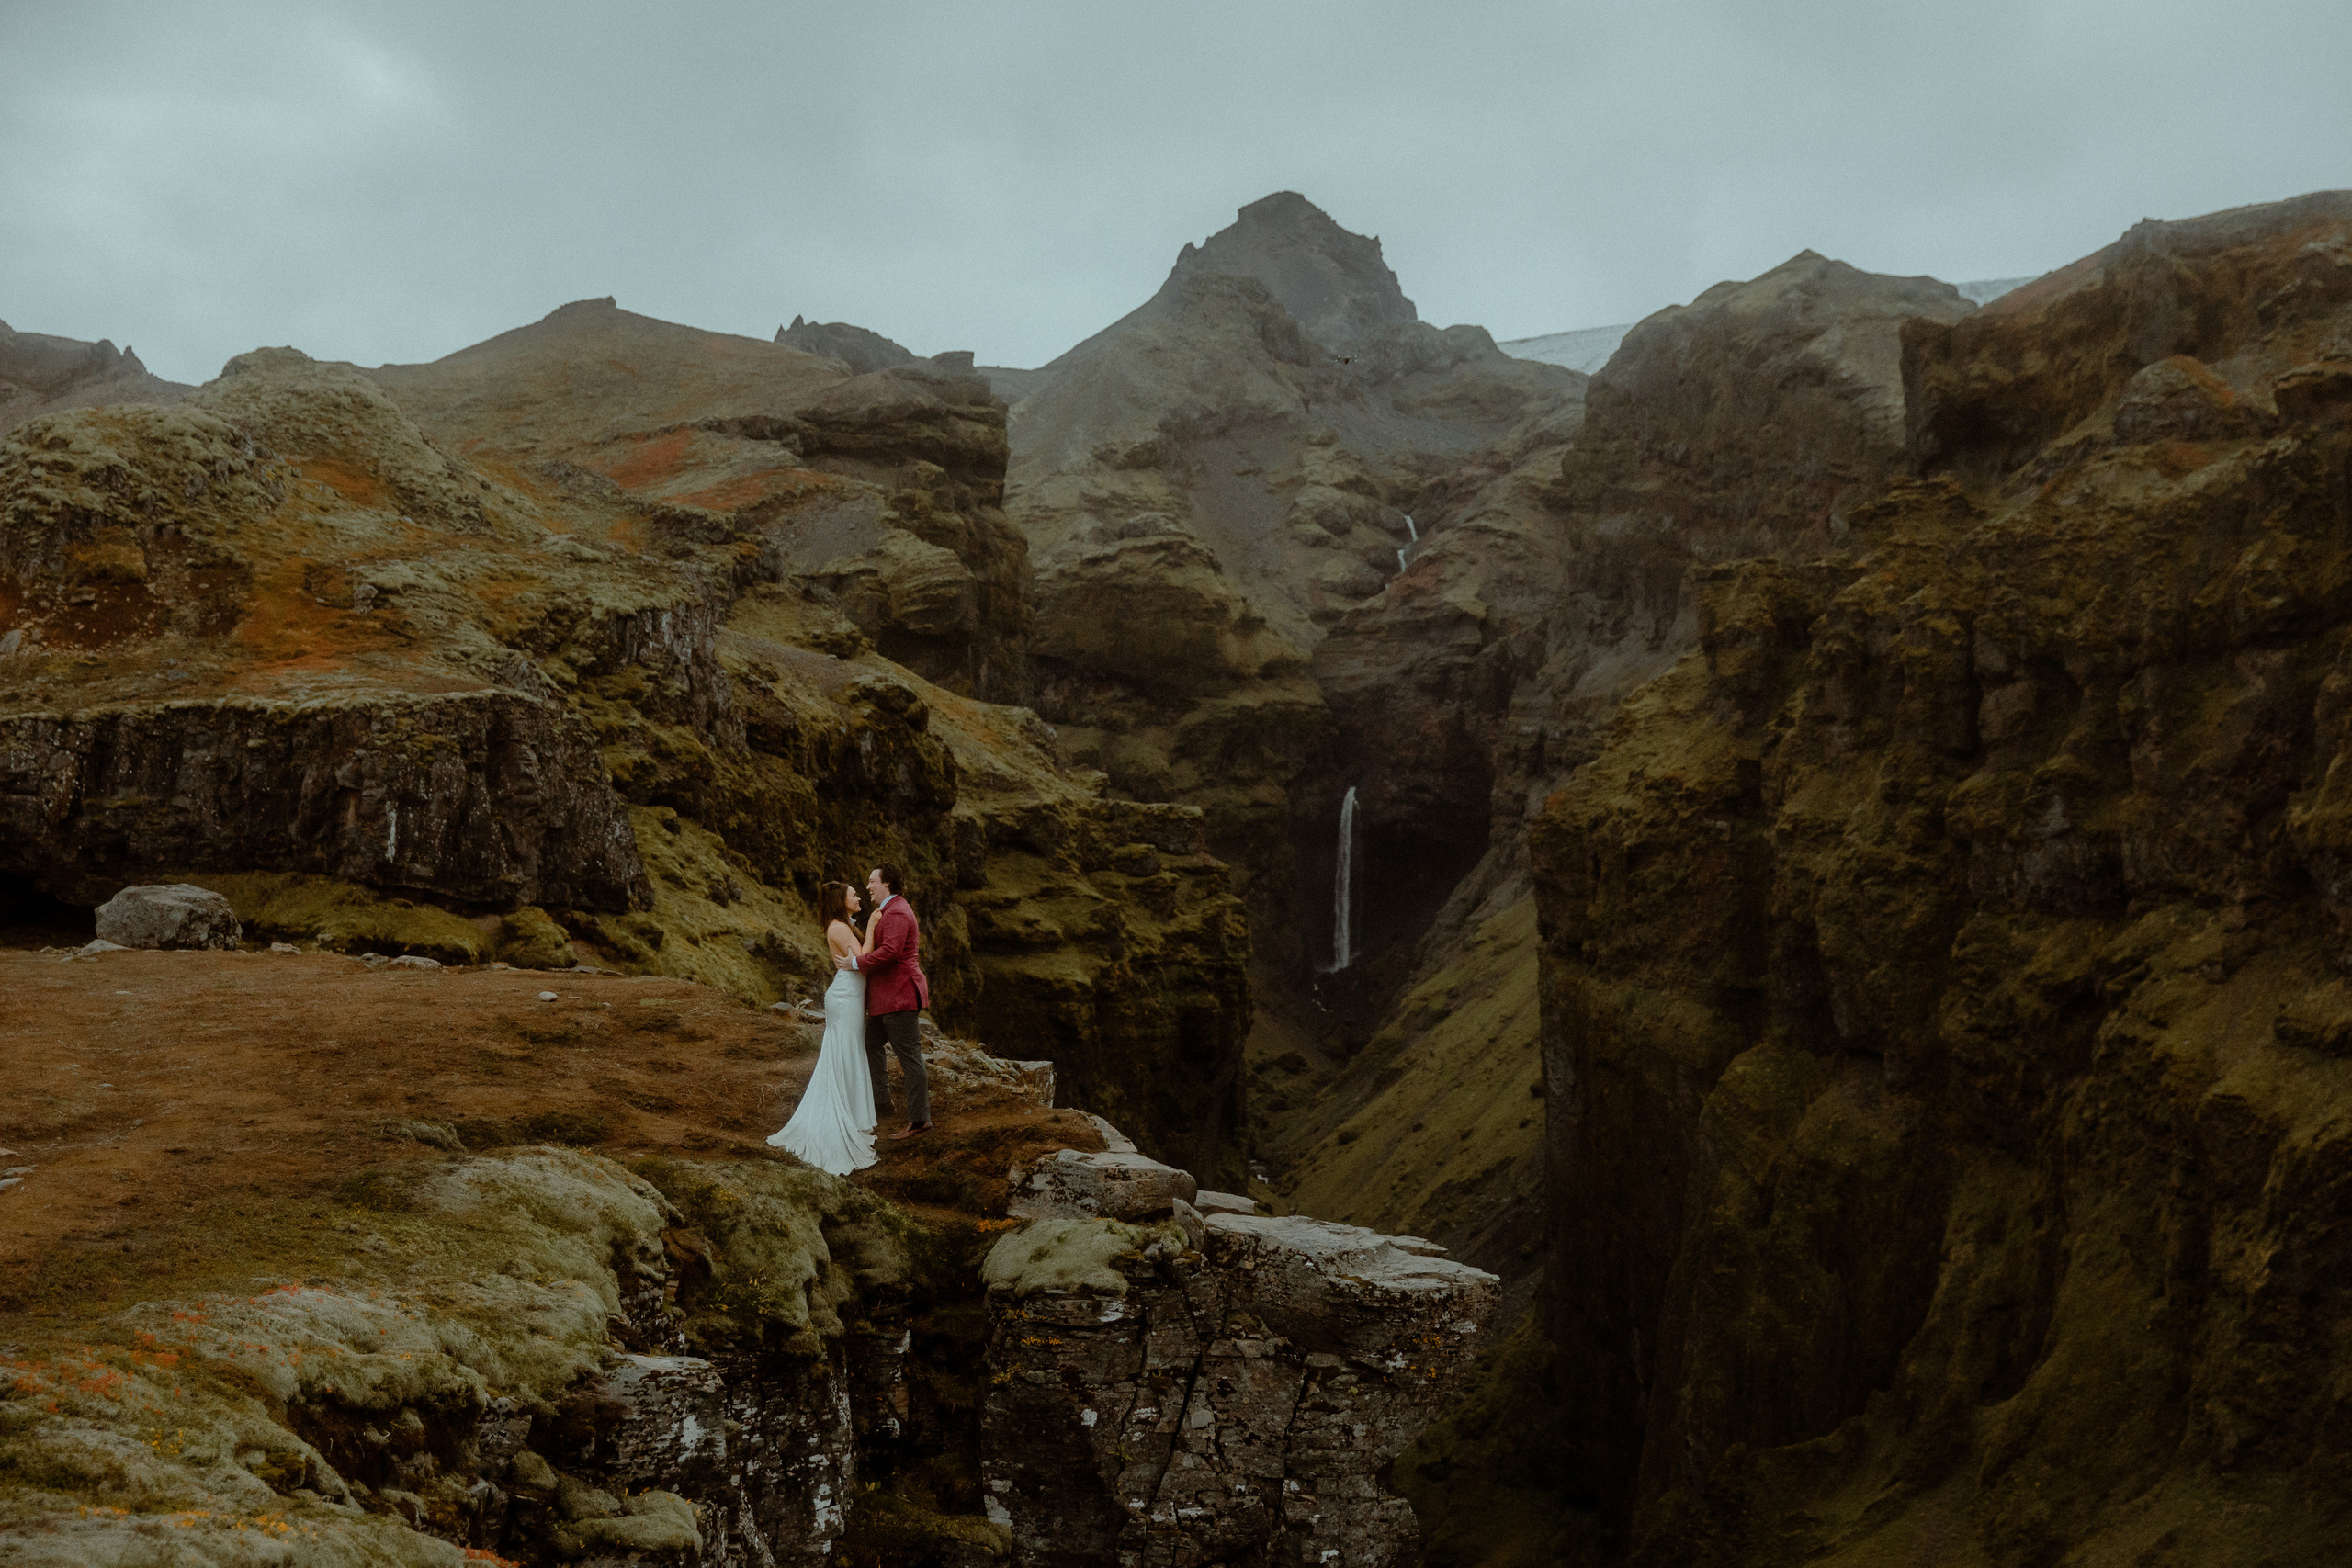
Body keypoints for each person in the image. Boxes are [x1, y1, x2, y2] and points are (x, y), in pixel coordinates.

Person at [766, 881, 878, 1173]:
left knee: (849, 1051)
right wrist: (874, 926)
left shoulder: (840, 925)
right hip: (845, 998)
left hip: (850, 996)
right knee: (847, 1051)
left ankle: (853, 1115)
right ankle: (846, 1117)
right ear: (841, 901)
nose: (858, 897)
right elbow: (864, 961)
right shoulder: (839, 928)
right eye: (853, 895)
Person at [836, 863, 932, 1139]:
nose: (868, 887)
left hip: (899, 996)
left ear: (886, 883)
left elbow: (890, 952)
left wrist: (856, 962)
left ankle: (918, 1120)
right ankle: (882, 1102)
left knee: (910, 1058)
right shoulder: (889, 911)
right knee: (869, 1043)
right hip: (888, 999)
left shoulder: (898, 912)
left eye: (871, 881)